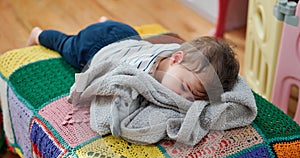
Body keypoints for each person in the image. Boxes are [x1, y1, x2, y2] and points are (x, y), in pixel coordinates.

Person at [26, 16, 239, 101]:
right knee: (67, 46)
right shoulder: (139, 74)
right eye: (183, 86)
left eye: (192, 98)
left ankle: (106, 22)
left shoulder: (181, 56)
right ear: (176, 58)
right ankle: (38, 34)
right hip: (96, 45)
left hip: (127, 35)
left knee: (128, 36)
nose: (181, 96)